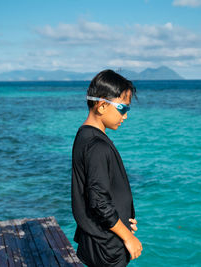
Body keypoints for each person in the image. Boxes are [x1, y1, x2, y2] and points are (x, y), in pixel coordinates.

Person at [71, 69, 142, 267]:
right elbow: (98, 201)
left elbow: (94, 193)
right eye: (123, 109)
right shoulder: (97, 146)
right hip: (106, 245)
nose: (125, 116)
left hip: (98, 238)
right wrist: (127, 236)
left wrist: (124, 216)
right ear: (102, 105)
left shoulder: (84, 137)